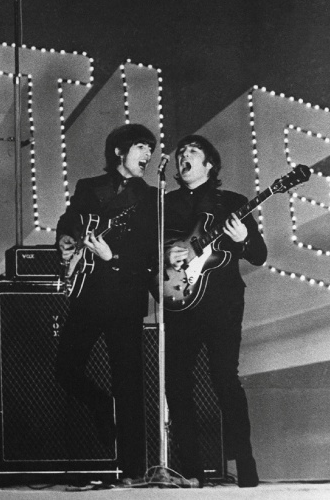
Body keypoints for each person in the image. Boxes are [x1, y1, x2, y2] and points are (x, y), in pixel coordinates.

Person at [55, 123, 157, 482]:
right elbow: (68, 222)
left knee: (128, 383)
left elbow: (149, 252)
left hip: (126, 296)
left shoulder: (150, 197)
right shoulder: (89, 187)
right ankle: (101, 404)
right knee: (65, 366)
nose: (147, 155)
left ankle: (134, 469)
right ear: (119, 151)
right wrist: (66, 242)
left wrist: (113, 257)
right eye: (141, 147)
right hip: (89, 292)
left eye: (150, 149)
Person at [163, 135, 266, 487]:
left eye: (192, 152)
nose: (183, 158)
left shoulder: (233, 203)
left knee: (225, 379)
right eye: (180, 154)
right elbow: (151, 252)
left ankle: (246, 466)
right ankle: (191, 470)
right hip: (181, 300)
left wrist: (242, 240)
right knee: (176, 382)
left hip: (222, 303)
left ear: (209, 164)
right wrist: (167, 255)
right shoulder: (166, 204)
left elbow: (259, 255)